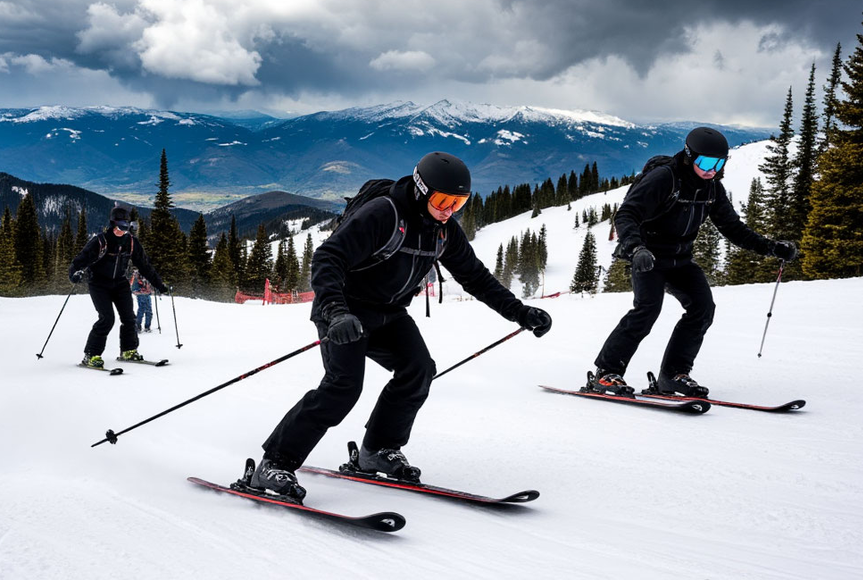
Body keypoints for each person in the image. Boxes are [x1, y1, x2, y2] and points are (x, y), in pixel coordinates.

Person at [250, 151, 554, 502]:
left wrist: (520, 312)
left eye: (458, 203)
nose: (448, 210)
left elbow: (476, 278)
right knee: (342, 388)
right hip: (346, 311)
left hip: (389, 313)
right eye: (442, 201)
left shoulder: (444, 231)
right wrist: (335, 312)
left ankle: (377, 450)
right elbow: (328, 257)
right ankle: (274, 464)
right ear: (422, 191)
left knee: (418, 369)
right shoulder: (384, 214)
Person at [591, 126, 799, 398]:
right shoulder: (664, 178)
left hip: (680, 260)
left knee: (702, 308)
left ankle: (673, 376)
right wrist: (635, 248)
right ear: (690, 157)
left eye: (719, 163)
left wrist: (772, 248)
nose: (712, 169)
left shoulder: (712, 188)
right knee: (646, 311)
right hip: (648, 257)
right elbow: (627, 214)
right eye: (705, 162)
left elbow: (733, 228)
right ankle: (606, 373)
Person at [70, 205, 168, 368]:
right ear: (113, 224)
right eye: (120, 227)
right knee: (107, 319)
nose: (122, 231)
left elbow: (145, 266)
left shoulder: (131, 242)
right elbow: (80, 261)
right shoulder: (100, 241)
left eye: (126, 227)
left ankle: (128, 350)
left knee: (129, 318)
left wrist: (159, 284)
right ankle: (91, 355)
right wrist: (75, 274)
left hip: (120, 283)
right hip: (99, 284)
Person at [130, 268, 154, 333]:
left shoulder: (145, 276)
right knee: (142, 310)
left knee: (148, 311)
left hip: (146, 296)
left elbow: (149, 286)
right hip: (141, 296)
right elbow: (134, 290)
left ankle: (147, 326)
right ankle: (138, 326)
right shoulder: (136, 278)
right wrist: (142, 292)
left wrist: (150, 291)